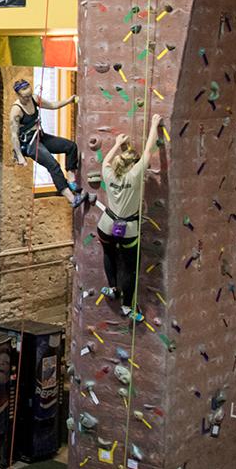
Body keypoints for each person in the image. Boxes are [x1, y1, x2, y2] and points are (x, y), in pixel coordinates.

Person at [98, 114, 162, 320]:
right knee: (130, 268)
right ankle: (127, 306)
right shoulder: (134, 176)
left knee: (109, 254)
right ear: (131, 166)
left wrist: (118, 144)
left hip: (105, 224)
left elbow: (107, 160)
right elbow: (149, 149)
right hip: (128, 230)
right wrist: (154, 125)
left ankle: (112, 288)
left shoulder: (108, 173)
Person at [10, 78, 90, 207]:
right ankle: (72, 199)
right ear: (18, 95)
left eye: (29, 95)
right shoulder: (16, 110)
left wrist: (69, 100)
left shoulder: (34, 99)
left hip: (40, 136)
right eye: (25, 97)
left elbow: (52, 106)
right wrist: (20, 156)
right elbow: (14, 135)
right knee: (53, 166)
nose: (28, 99)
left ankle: (71, 181)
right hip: (30, 144)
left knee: (70, 146)